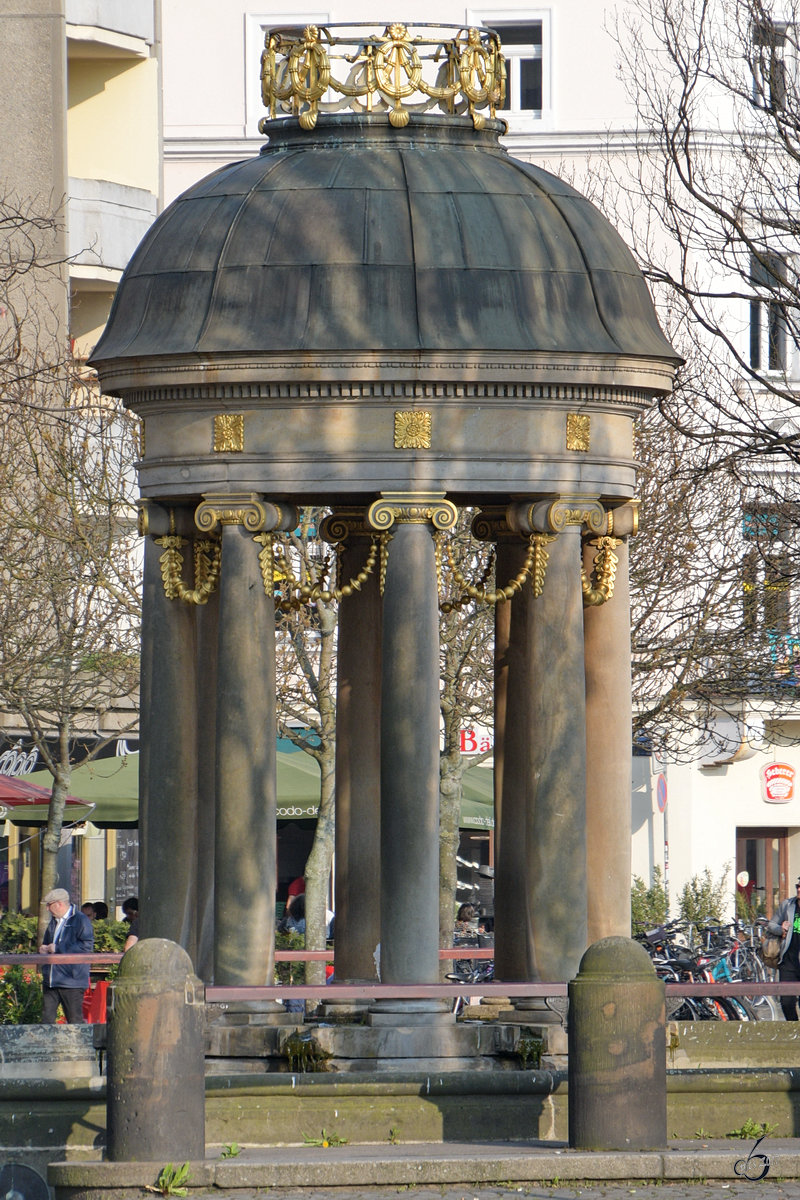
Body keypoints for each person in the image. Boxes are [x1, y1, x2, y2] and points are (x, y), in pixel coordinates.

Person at [39, 888, 94, 1025]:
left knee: (75, 1020)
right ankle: (47, 1046)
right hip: (51, 980)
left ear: (59, 904)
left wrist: (58, 948)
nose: (47, 909)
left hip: (71, 981)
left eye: (49, 905)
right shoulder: (54, 921)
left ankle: (78, 1046)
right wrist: (44, 948)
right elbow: (48, 942)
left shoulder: (81, 920)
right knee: (46, 1020)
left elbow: (86, 947)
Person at [767, 878, 800, 1020]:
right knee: (786, 1002)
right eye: (798, 886)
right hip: (788, 961)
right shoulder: (788, 905)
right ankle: (794, 1030)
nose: (799, 889)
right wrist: (781, 929)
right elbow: (771, 925)